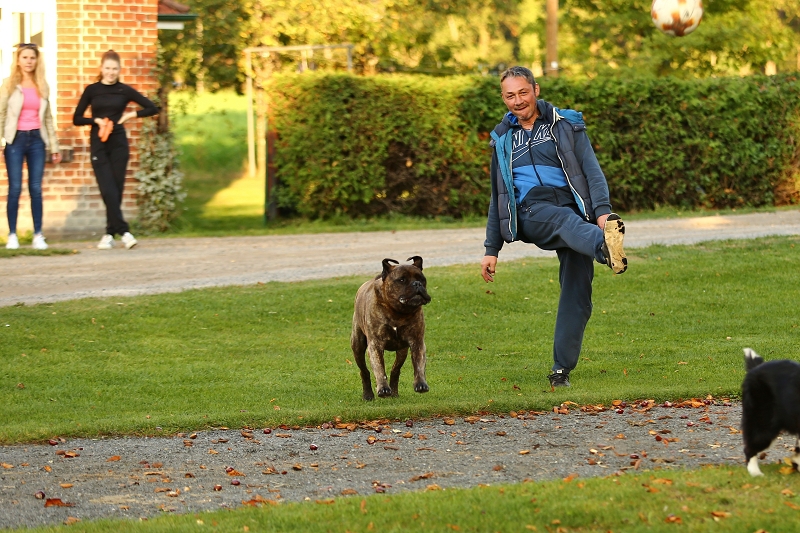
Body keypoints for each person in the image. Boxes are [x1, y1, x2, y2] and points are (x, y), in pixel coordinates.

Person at [480, 66, 627, 389]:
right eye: (510, 95)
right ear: (503, 98)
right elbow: (497, 195)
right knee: (562, 220)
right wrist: (492, 249)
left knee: (578, 291)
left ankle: (561, 369)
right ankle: (604, 246)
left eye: (523, 92)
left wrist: (602, 214)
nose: (518, 100)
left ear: (536, 89)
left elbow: (591, 171)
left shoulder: (566, 125)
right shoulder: (502, 139)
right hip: (532, 210)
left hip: (574, 212)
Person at [73, 50, 158, 249]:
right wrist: (95, 120)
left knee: (116, 189)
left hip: (119, 143)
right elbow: (77, 118)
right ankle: (124, 231)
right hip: (99, 142)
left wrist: (129, 116)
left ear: (119, 70)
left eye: (114, 69)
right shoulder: (92, 90)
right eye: (108, 68)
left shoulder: (124, 90)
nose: (111, 72)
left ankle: (109, 234)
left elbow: (152, 108)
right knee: (107, 188)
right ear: (101, 68)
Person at [0, 43, 62, 250]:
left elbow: (48, 119)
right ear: (18, 60)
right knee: (15, 188)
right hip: (15, 140)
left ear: (37, 60)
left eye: (32, 58)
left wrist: (54, 147)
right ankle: (12, 235)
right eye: (25, 57)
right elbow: (1, 114)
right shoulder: (8, 85)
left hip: (37, 140)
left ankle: (38, 235)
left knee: (35, 188)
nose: (29, 61)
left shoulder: (42, 85)